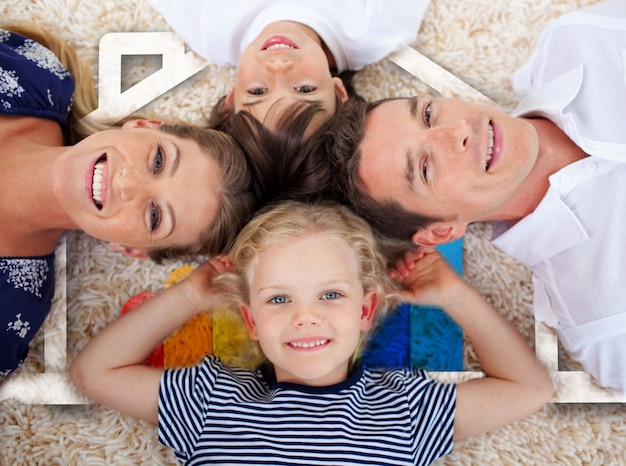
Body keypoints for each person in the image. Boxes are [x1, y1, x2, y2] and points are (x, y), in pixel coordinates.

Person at [70, 201, 553, 465]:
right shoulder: (212, 399)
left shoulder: (406, 409)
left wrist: (454, 296)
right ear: (252, 322)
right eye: (280, 299)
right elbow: (94, 373)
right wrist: (192, 296)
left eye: (330, 295)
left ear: (367, 310)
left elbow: (530, 389)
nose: (306, 317)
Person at [318, 0, 626, 393]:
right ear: (441, 232)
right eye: (425, 169)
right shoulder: (605, 327)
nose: (458, 132)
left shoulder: (580, 39)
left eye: (428, 114)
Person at [0, 24, 256, 380]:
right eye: (158, 160)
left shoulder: (10, 310)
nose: (129, 183)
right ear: (143, 125)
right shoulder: (31, 76)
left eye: (154, 216)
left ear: (130, 248)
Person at [147, 0, 431, 136]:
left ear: (230, 98)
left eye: (258, 91)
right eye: (304, 89)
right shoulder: (376, 30)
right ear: (338, 91)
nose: (279, 67)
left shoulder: (213, 35)